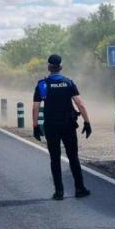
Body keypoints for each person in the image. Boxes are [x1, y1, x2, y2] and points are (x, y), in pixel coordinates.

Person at [32, 54, 92, 200]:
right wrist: (87, 122)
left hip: (51, 126)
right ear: (60, 67)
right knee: (73, 157)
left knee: (55, 158)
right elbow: (80, 103)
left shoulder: (43, 84)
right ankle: (79, 189)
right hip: (68, 125)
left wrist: (35, 126)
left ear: (48, 67)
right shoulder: (68, 82)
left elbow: (35, 108)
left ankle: (59, 192)